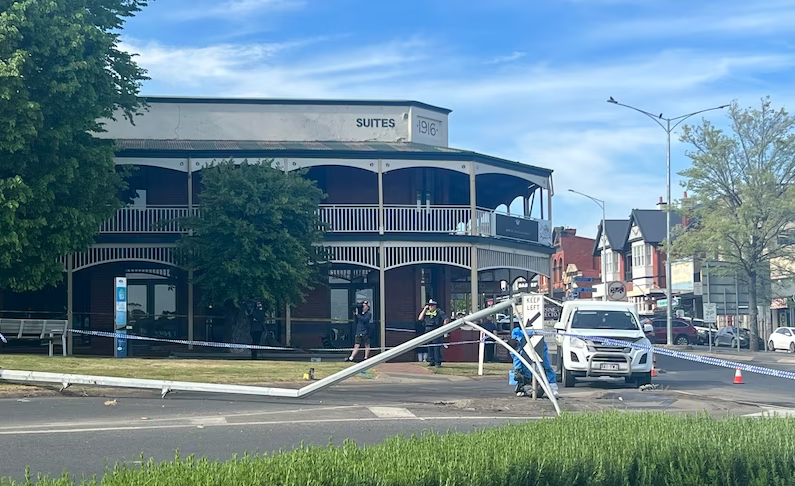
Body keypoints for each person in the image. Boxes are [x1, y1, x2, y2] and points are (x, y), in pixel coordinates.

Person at [509, 326, 559, 398]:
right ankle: (522, 387)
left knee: (546, 366)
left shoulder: (526, 334)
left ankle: (552, 387)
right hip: (527, 354)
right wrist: (517, 369)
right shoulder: (514, 343)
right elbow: (516, 357)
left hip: (539, 347)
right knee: (523, 370)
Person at [418, 299, 449, 367]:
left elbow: (446, 319)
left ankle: (438, 362)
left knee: (436, 347)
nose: (430, 307)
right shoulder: (427, 312)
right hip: (428, 331)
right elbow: (420, 318)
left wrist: (444, 328)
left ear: (435, 306)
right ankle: (431, 361)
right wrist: (424, 309)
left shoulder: (439, 312)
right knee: (429, 346)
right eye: (429, 305)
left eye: (432, 305)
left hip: (436, 330)